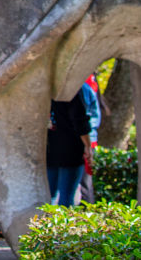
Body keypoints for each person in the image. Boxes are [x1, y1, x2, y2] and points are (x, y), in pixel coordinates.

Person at [46, 88, 92, 207]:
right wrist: (88, 146)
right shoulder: (71, 89)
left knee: (47, 196)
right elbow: (79, 120)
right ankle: (60, 224)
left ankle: (44, 223)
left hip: (49, 148)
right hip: (71, 149)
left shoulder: (43, 88)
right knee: (66, 197)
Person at [78, 74, 102, 203]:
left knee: (85, 180)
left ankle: (88, 210)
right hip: (86, 138)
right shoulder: (87, 87)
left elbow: (92, 118)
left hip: (87, 140)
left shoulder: (85, 88)